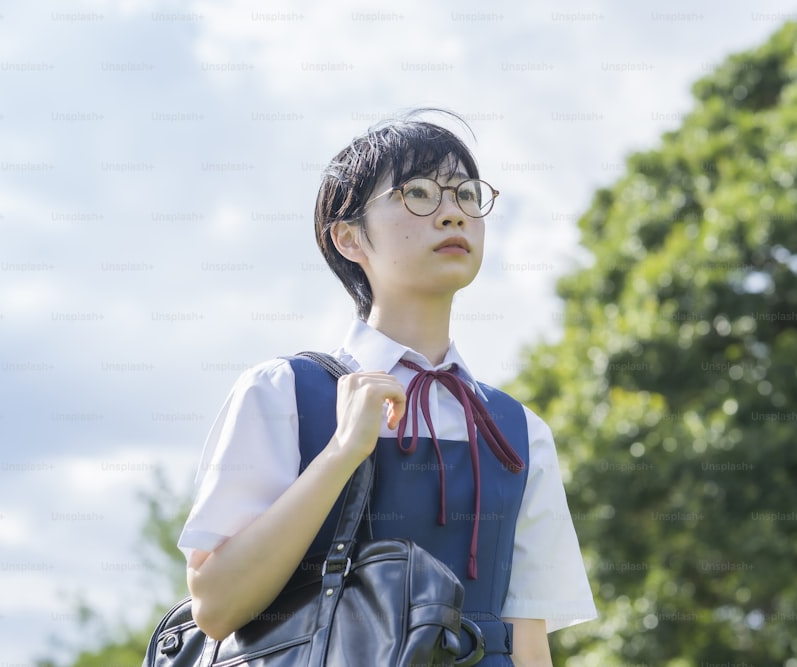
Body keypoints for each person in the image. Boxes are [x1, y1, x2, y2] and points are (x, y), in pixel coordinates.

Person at [178, 109, 596, 666]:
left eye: (467, 194)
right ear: (349, 238)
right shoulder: (284, 392)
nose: (452, 214)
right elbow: (216, 605)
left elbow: (526, 640)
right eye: (418, 193)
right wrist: (343, 451)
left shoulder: (518, 431)